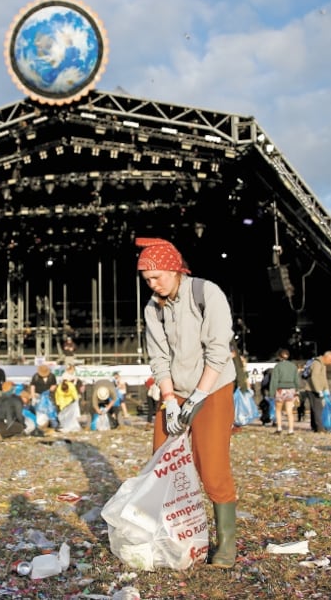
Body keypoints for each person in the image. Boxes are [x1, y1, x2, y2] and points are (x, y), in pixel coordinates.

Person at [138, 237, 238, 568]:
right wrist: (169, 399)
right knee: (162, 461)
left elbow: (219, 349)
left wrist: (198, 395)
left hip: (213, 386)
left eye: (157, 277)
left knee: (211, 465)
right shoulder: (153, 308)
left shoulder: (206, 293)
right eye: (147, 280)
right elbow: (159, 356)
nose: (152, 285)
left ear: (174, 268)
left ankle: (226, 544)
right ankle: (174, 537)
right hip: (176, 390)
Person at [268, 349, 298, 435]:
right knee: (289, 410)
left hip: (280, 390)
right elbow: (296, 380)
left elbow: (274, 380)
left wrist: (271, 392)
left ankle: (279, 428)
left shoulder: (278, 366)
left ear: (279, 357)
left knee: (278, 410)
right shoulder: (293, 366)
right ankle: (291, 430)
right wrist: (297, 390)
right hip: (291, 389)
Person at [304, 351, 331, 433]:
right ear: (327, 357)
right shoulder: (317, 363)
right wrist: (318, 390)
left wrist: (326, 388)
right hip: (312, 389)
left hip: (318, 389)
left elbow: (323, 378)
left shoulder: (323, 364)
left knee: (315, 408)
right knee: (318, 409)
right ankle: (320, 428)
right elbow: (314, 377)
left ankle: (314, 426)